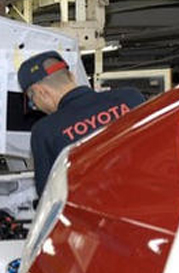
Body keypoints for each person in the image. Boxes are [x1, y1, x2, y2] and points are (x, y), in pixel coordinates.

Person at [17, 51, 145, 196]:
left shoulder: (45, 131)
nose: (37, 107)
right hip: (157, 203)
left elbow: (49, 199)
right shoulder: (130, 97)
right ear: (72, 76)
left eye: (33, 103)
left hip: (101, 214)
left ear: (40, 92)